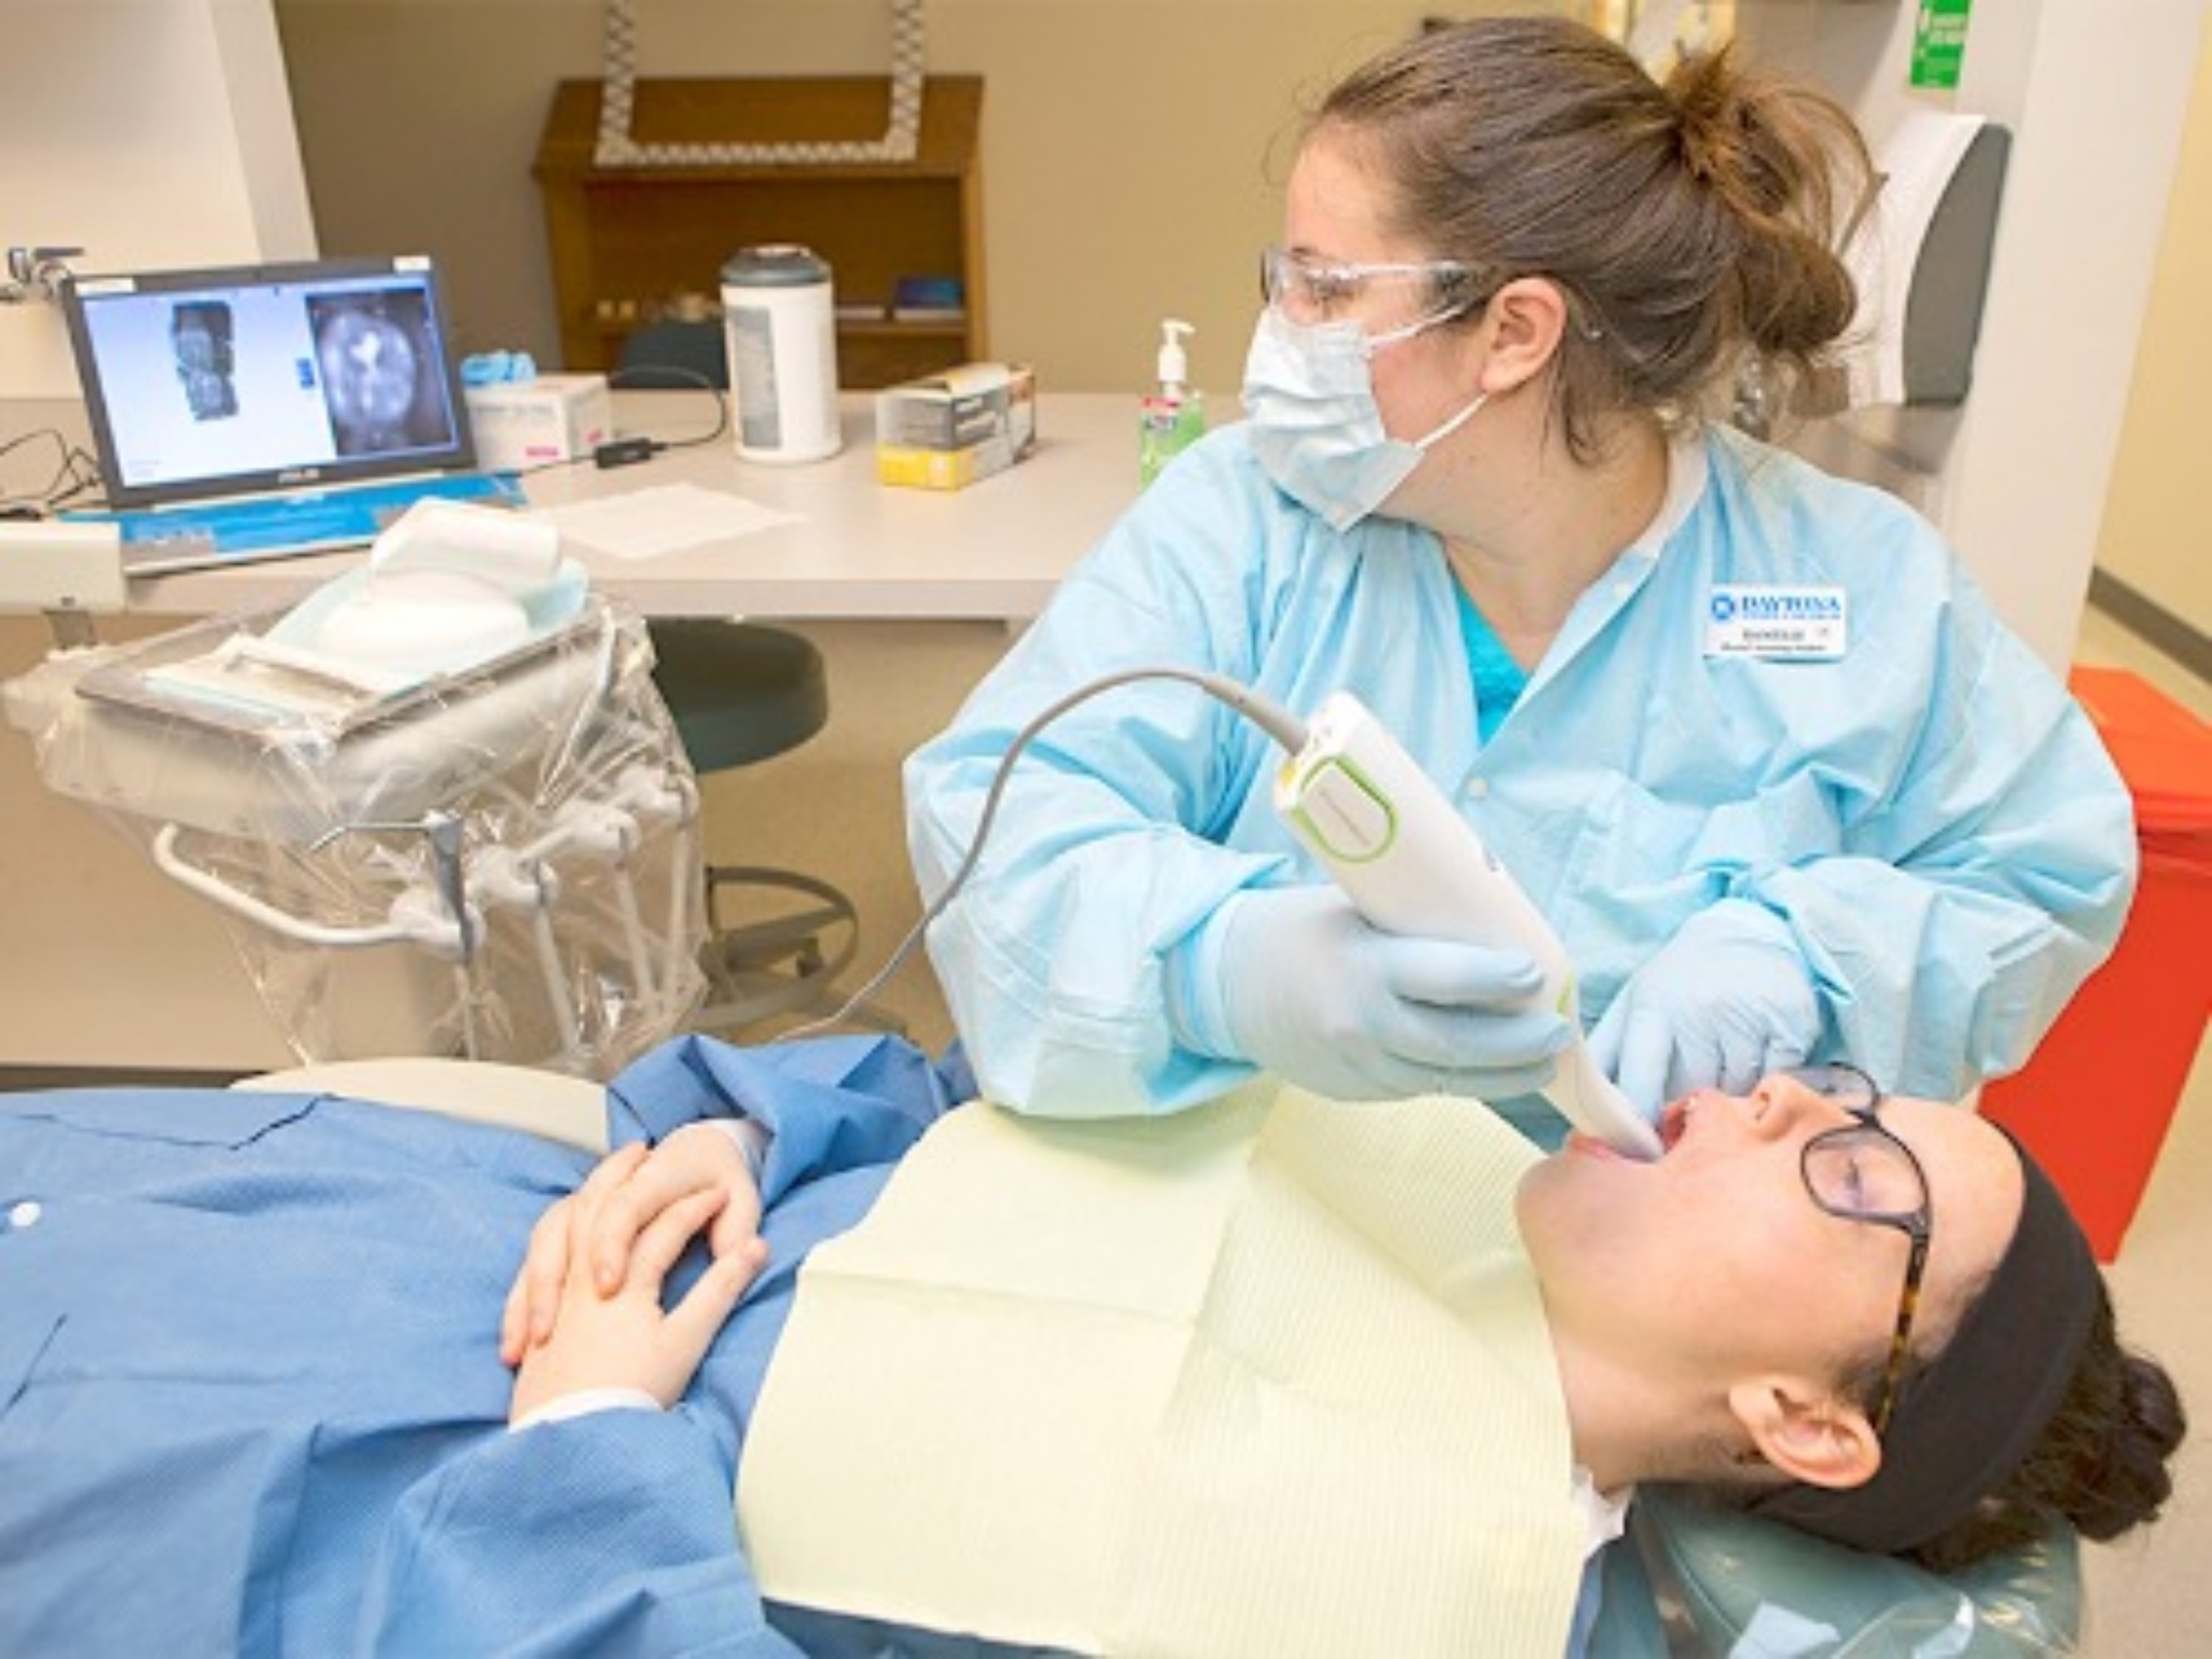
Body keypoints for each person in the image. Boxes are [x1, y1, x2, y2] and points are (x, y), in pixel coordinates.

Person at [902, 15, 2136, 1132]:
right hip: (1258, 1220)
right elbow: (998, 826)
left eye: (1327, 289)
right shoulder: (1240, 525)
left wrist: (1807, 951)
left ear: (1514, 333)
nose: (1282, 329)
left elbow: (2046, 868)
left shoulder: (1861, 587)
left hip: (1637, 1269)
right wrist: (1220, 965)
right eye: (1285, 280)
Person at [3, 1035, 2177, 1655]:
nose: (1802, 1101)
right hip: (410, 1218)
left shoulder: (1407, 1609)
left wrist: (582, 1444)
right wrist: (748, 1136)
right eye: (1859, 1092)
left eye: (1865, 1183)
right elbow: (959, 1096)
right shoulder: (1402, 1138)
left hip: (356, 1514)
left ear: (1806, 1422)